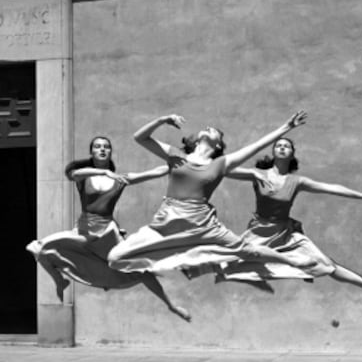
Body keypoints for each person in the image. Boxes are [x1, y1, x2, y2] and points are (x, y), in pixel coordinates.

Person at [108, 111, 317, 276]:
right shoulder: (176, 156)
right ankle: (184, 259)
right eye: (207, 128)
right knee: (115, 258)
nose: (209, 128)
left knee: (246, 249)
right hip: (166, 222)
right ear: (198, 140)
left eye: (216, 131)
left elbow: (255, 146)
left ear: (217, 145)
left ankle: (293, 260)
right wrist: (162, 120)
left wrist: (286, 127)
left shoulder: (220, 164)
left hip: (203, 225)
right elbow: (140, 137)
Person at [26, 136, 192, 321]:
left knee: (141, 271)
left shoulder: (121, 180)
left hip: (107, 234)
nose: (102, 149)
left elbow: (155, 171)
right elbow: (72, 174)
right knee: (39, 248)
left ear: (110, 152)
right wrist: (104, 173)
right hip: (84, 231)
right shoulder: (84, 176)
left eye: (106, 147)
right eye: (98, 147)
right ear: (92, 152)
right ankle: (60, 280)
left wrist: (181, 162)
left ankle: (171, 306)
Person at [219, 136, 362, 298]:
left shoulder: (297, 182)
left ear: (292, 155)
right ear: (273, 153)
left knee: (327, 264)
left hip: (286, 233)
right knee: (227, 266)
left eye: (286, 146)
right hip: (259, 232)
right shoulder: (257, 175)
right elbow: (220, 169)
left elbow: (331, 187)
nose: (282, 148)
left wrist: (361, 194)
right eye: (278, 146)